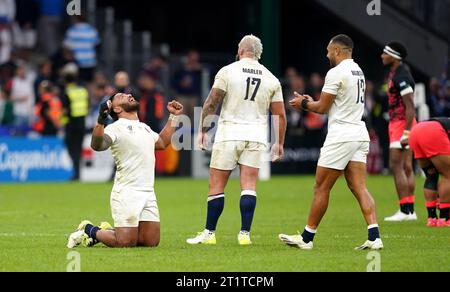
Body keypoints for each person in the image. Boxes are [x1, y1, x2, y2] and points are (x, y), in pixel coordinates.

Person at [279, 34, 383, 250]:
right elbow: (332, 104)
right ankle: (374, 236)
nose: (327, 54)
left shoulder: (336, 72)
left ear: (337, 50)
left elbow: (323, 109)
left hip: (341, 135)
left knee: (321, 187)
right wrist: (309, 100)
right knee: (359, 187)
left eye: (329, 50)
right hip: (358, 132)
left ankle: (307, 239)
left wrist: (303, 104)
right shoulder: (358, 71)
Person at [186, 35, 287, 245]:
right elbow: (280, 115)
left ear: (240, 50)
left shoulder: (228, 71)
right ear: (258, 53)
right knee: (249, 185)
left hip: (229, 134)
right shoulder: (271, 78)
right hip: (257, 136)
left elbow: (212, 102)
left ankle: (210, 234)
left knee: (216, 184)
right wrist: (279, 143)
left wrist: (203, 130)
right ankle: (244, 235)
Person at [67, 93, 183, 248]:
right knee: (126, 242)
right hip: (127, 192)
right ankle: (88, 229)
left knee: (150, 242)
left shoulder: (144, 128)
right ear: (116, 108)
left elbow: (162, 142)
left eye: (128, 94)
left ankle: (106, 231)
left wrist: (173, 117)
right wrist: (101, 119)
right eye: (121, 96)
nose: (128, 94)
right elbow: (97, 145)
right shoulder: (115, 128)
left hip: (148, 192)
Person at [381, 42, 417, 222]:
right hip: (402, 123)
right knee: (406, 166)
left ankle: (404, 210)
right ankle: (410, 210)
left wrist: (407, 132)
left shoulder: (401, 75)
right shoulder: (397, 72)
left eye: (385, 53)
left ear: (394, 57)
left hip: (402, 124)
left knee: (396, 165)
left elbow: (410, 106)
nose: (382, 56)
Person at [404, 118, 450, 227]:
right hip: (433, 131)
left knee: (431, 175)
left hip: (416, 131)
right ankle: (445, 218)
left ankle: (432, 218)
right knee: (448, 175)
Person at [60, 63, 89, 181]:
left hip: (70, 124)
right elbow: (87, 106)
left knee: (71, 147)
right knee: (78, 149)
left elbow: (64, 110)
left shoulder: (67, 92)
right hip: (81, 123)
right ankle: (77, 173)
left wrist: (62, 122)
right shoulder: (83, 90)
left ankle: (76, 174)